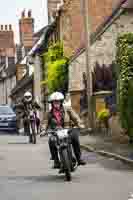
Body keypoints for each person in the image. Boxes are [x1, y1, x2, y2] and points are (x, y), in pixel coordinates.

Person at [45, 91, 86, 169]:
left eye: (58, 101)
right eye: (54, 102)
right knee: (51, 140)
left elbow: (75, 117)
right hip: (56, 132)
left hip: (68, 130)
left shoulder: (67, 109)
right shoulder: (49, 113)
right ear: (52, 103)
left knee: (75, 136)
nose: (56, 103)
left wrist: (79, 124)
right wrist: (43, 130)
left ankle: (79, 158)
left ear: (61, 102)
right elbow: (45, 122)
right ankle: (56, 161)